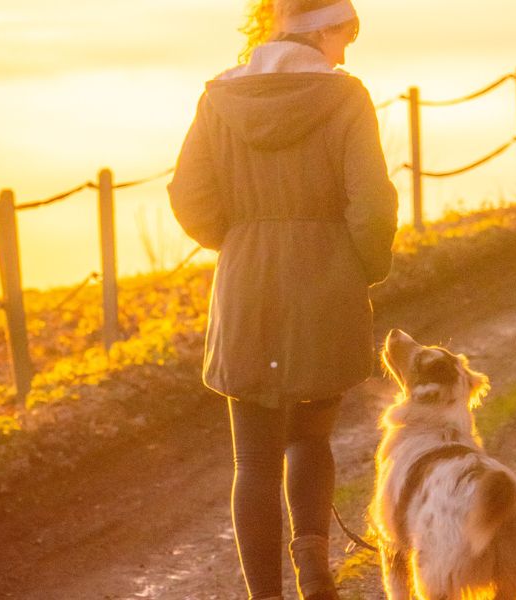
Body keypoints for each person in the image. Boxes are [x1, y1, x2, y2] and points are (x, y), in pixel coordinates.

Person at [166, 1, 398, 598]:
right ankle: (315, 572)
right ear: (320, 28)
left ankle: (264, 595)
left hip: (246, 289)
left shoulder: (218, 98)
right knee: (310, 438)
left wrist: (242, 239)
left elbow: (188, 196)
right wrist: (359, 272)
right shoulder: (345, 97)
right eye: (346, 35)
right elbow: (372, 206)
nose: (345, 51)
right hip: (324, 288)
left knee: (255, 460)